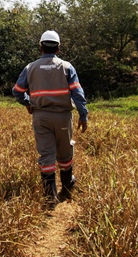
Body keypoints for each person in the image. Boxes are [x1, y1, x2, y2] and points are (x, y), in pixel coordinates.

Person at [13, 30, 88, 206]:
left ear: (40, 47)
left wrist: (27, 103)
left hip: (41, 117)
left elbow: (17, 91)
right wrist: (83, 115)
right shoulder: (67, 67)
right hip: (63, 116)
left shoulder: (30, 67)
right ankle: (67, 187)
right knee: (65, 153)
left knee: (46, 155)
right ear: (58, 49)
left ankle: (49, 197)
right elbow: (77, 93)